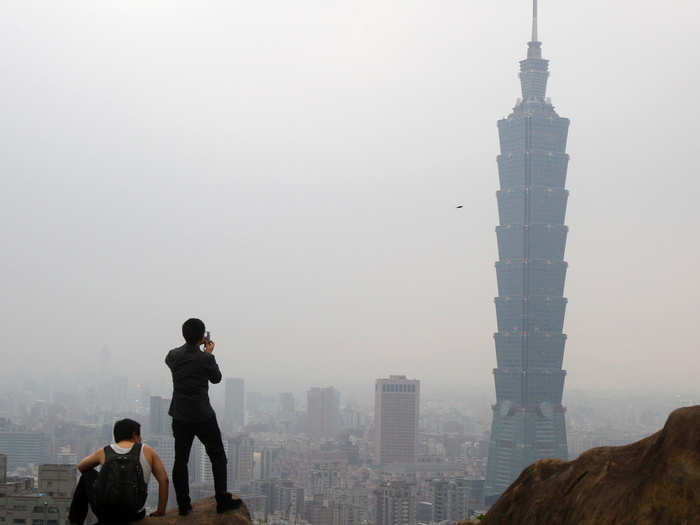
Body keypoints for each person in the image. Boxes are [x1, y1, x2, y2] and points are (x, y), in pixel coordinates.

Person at [166, 318, 240, 515]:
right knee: (217, 455)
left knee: (181, 459)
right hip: (202, 415)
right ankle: (222, 500)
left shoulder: (172, 356)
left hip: (180, 414)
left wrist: (198, 352)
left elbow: (173, 363)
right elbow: (216, 378)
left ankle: (183, 505)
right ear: (202, 337)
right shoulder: (205, 358)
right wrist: (207, 353)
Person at [68, 418, 169, 524]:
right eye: (140, 436)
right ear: (135, 435)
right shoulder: (147, 451)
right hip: (134, 514)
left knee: (87, 476)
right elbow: (164, 480)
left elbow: (81, 467)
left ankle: (75, 521)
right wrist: (160, 511)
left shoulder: (105, 451)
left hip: (106, 514)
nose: (141, 439)